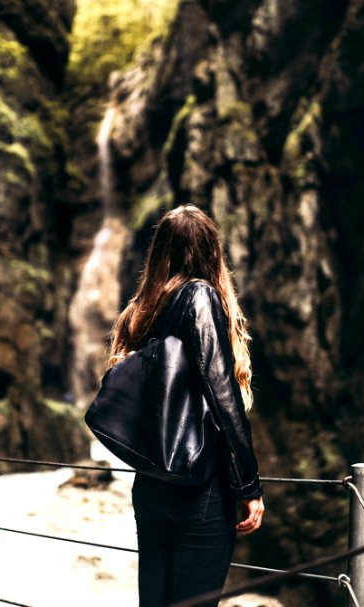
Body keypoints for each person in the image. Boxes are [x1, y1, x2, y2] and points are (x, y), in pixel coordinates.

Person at [107, 204, 265, 606]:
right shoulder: (201, 296)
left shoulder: (140, 312)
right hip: (200, 491)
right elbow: (222, 393)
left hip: (152, 486)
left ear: (159, 254)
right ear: (213, 252)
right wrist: (249, 485)